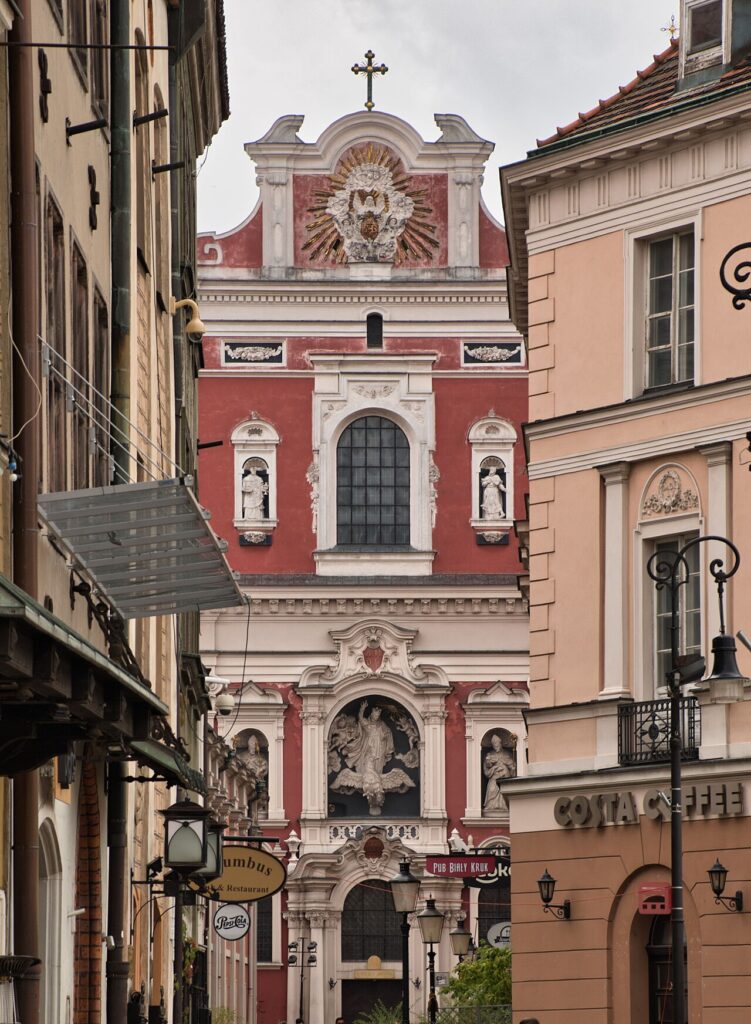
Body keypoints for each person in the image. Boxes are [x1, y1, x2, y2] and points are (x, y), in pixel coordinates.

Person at [483, 733, 515, 813]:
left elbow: (513, 766)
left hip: (505, 776)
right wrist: (493, 767)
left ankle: (504, 806)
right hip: (494, 776)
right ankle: (491, 806)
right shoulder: (490, 754)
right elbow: (486, 769)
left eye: (497, 745)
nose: (496, 747)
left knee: (504, 792)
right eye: (494, 745)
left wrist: (511, 768)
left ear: (501, 744)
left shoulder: (507, 754)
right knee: (492, 789)